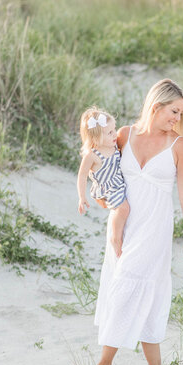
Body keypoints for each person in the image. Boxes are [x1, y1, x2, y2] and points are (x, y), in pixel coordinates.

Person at [84, 79, 183, 365]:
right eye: (173, 111)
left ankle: (104, 364)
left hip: (155, 227)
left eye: (180, 114)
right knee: (142, 290)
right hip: (124, 226)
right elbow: (103, 169)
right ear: (155, 105)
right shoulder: (123, 135)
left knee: (127, 284)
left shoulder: (179, 146)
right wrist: (99, 197)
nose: (177, 119)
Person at [76, 107, 130, 257]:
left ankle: (124, 232)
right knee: (123, 209)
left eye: (114, 129)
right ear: (95, 139)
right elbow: (82, 176)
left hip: (120, 182)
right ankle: (115, 237)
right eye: (110, 133)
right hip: (109, 188)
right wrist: (82, 197)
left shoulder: (114, 145)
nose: (115, 134)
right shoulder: (92, 156)